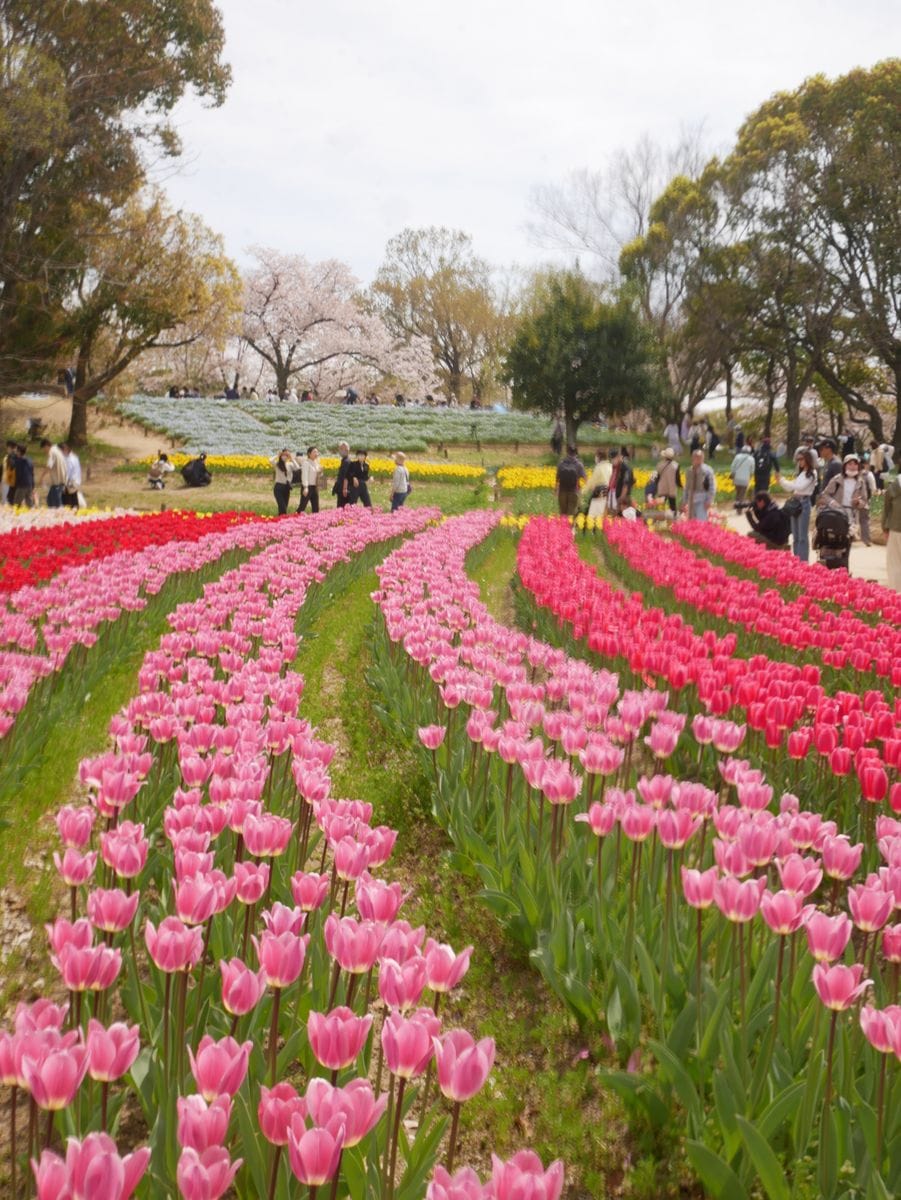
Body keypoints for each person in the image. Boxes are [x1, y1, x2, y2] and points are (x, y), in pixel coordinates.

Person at [773, 449, 817, 561]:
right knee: (795, 535)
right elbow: (791, 487)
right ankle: (797, 559)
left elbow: (799, 487)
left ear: (807, 459)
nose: (799, 461)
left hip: (804, 503)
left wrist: (783, 480)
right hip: (795, 502)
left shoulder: (812, 473)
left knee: (802, 536)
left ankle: (803, 561)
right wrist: (781, 481)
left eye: (801, 459)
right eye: (798, 459)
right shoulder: (801, 473)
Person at [817, 453, 868, 538]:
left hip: (851, 515)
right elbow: (825, 494)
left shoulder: (861, 482)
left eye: (855, 464)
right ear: (844, 466)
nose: (853, 466)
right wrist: (832, 502)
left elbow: (864, 500)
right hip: (836, 513)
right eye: (850, 464)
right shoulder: (837, 480)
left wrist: (858, 502)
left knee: (847, 540)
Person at [682, 449, 716, 521]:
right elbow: (686, 487)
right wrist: (684, 501)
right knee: (691, 521)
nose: (698, 459)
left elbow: (712, 486)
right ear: (692, 458)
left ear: (703, 458)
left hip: (702, 499)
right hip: (691, 499)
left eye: (700, 457)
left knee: (701, 520)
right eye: (696, 457)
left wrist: (709, 501)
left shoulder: (707, 470)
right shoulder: (689, 470)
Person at [555, 445, 586, 517]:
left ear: (567, 452)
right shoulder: (579, 464)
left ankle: (563, 527)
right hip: (574, 491)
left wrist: (556, 490)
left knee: (563, 512)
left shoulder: (561, 463)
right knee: (571, 513)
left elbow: (557, 478)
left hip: (562, 491)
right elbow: (585, 478)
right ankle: (571, 527)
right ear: (576, 452)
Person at [882, 472, 901, 590]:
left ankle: (897, 594)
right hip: (895, 529)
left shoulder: (894, 485)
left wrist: (884, 527)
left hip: (895, 528)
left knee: (894, 563)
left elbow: (886, 509)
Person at [585, 449, 612, 518]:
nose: (595, 458)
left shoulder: (599, 467)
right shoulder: (610, 466)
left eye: (596, 456)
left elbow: (593, 482)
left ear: (599, 457)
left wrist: (583, 491)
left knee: (594, 516)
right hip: (609, 493)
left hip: (599, 492)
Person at [40, 438, 67, 507]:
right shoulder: (57, 450)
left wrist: (42, 477)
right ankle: (53, 515)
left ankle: (61, 515)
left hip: (57, 482)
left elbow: (49, 466)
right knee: (50, 499)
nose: (44, 451)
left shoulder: (52, 452)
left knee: (56, 502)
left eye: (43, 449)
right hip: (61, 480)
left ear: (46, 446)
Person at [270, 447, 298, 515]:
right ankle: (281, 520)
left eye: (286, 455)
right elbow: (270, 460)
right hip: (278, 487)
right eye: (283, 455)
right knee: (282, 507)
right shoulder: (277, 464)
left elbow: (297, 467)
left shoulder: (290, 464)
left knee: (284, 507)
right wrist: (278, 455)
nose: (285, 457)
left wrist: (291, 458)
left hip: (287, 487)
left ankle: (280, 521)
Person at [653, 447, 681, 514]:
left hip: (662, 487)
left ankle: (659, 519)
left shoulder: (660, 465)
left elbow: (658, 477)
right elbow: (677, 478)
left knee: (660, 506)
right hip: (672, 487)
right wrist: (680, 485)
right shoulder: (676, 465)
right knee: (672, 505)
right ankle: (674, 519)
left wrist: (656, 486)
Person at [606, 448, 634, 516]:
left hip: (621, 497)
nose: (612, 461)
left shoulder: (626, 469)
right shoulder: (613, 467)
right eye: (611, 459)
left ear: (619, 457)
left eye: (614, 458)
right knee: (611, 514)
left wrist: (621, 499)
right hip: (612, 494)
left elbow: (626, 485)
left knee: (621, 515)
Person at [858, 457, 878, 546]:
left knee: (850, 519)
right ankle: (866, 540)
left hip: (852, 499)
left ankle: (849, 537)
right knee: (864, 520)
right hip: (864, 500)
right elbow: (873, 488)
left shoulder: (854, 473)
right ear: (865, 464)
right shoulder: (869, 474)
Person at [297, 446, 321, 513]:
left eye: (317, 452)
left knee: (316, 507)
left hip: (315, 487)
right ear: (309, 454)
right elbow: (304, 476)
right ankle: (295, 519)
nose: (316, 453)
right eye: (314, 452)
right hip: (308, 487)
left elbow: (318, 475)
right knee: (302, 506)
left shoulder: (316, 464)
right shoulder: (306, 463)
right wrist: (305, 487)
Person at [61, 442, 82, 508]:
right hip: (76, 481)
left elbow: (68, 472)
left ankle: (70, 513)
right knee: (73, 498)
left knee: (69, 500)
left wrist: (65, 483)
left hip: (71, 482)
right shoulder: (74, 457)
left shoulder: (69, 459)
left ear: (65, 450)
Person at [332, 441, 351, 507]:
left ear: (348, 450)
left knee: (342, 508)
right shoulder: (344, 460)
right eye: (340, 449)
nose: (341, 451)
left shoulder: (346, 461)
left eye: (344, 449)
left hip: (344, 490)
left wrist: (344, 488)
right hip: (342, 488)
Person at [2, 439, 16, 504]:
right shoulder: (7, 457)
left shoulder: (14, 456)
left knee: (8, 501)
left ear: (9, 447)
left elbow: (12, 467)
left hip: (10, 482)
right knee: (5, 500)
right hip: (5, 481)